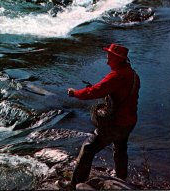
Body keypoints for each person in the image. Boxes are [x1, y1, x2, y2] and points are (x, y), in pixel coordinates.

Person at [56, 43, 140, 189]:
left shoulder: (116, 75)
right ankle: (121, 179)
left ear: (117, 59)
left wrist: (74, 93)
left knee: (88, 148)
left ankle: (74, 184)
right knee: (120, 148)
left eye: (109, 56)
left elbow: (94, 92)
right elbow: (118, 93)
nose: (107, 60)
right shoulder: (133, 75)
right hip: (129, 122)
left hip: (116, 124)